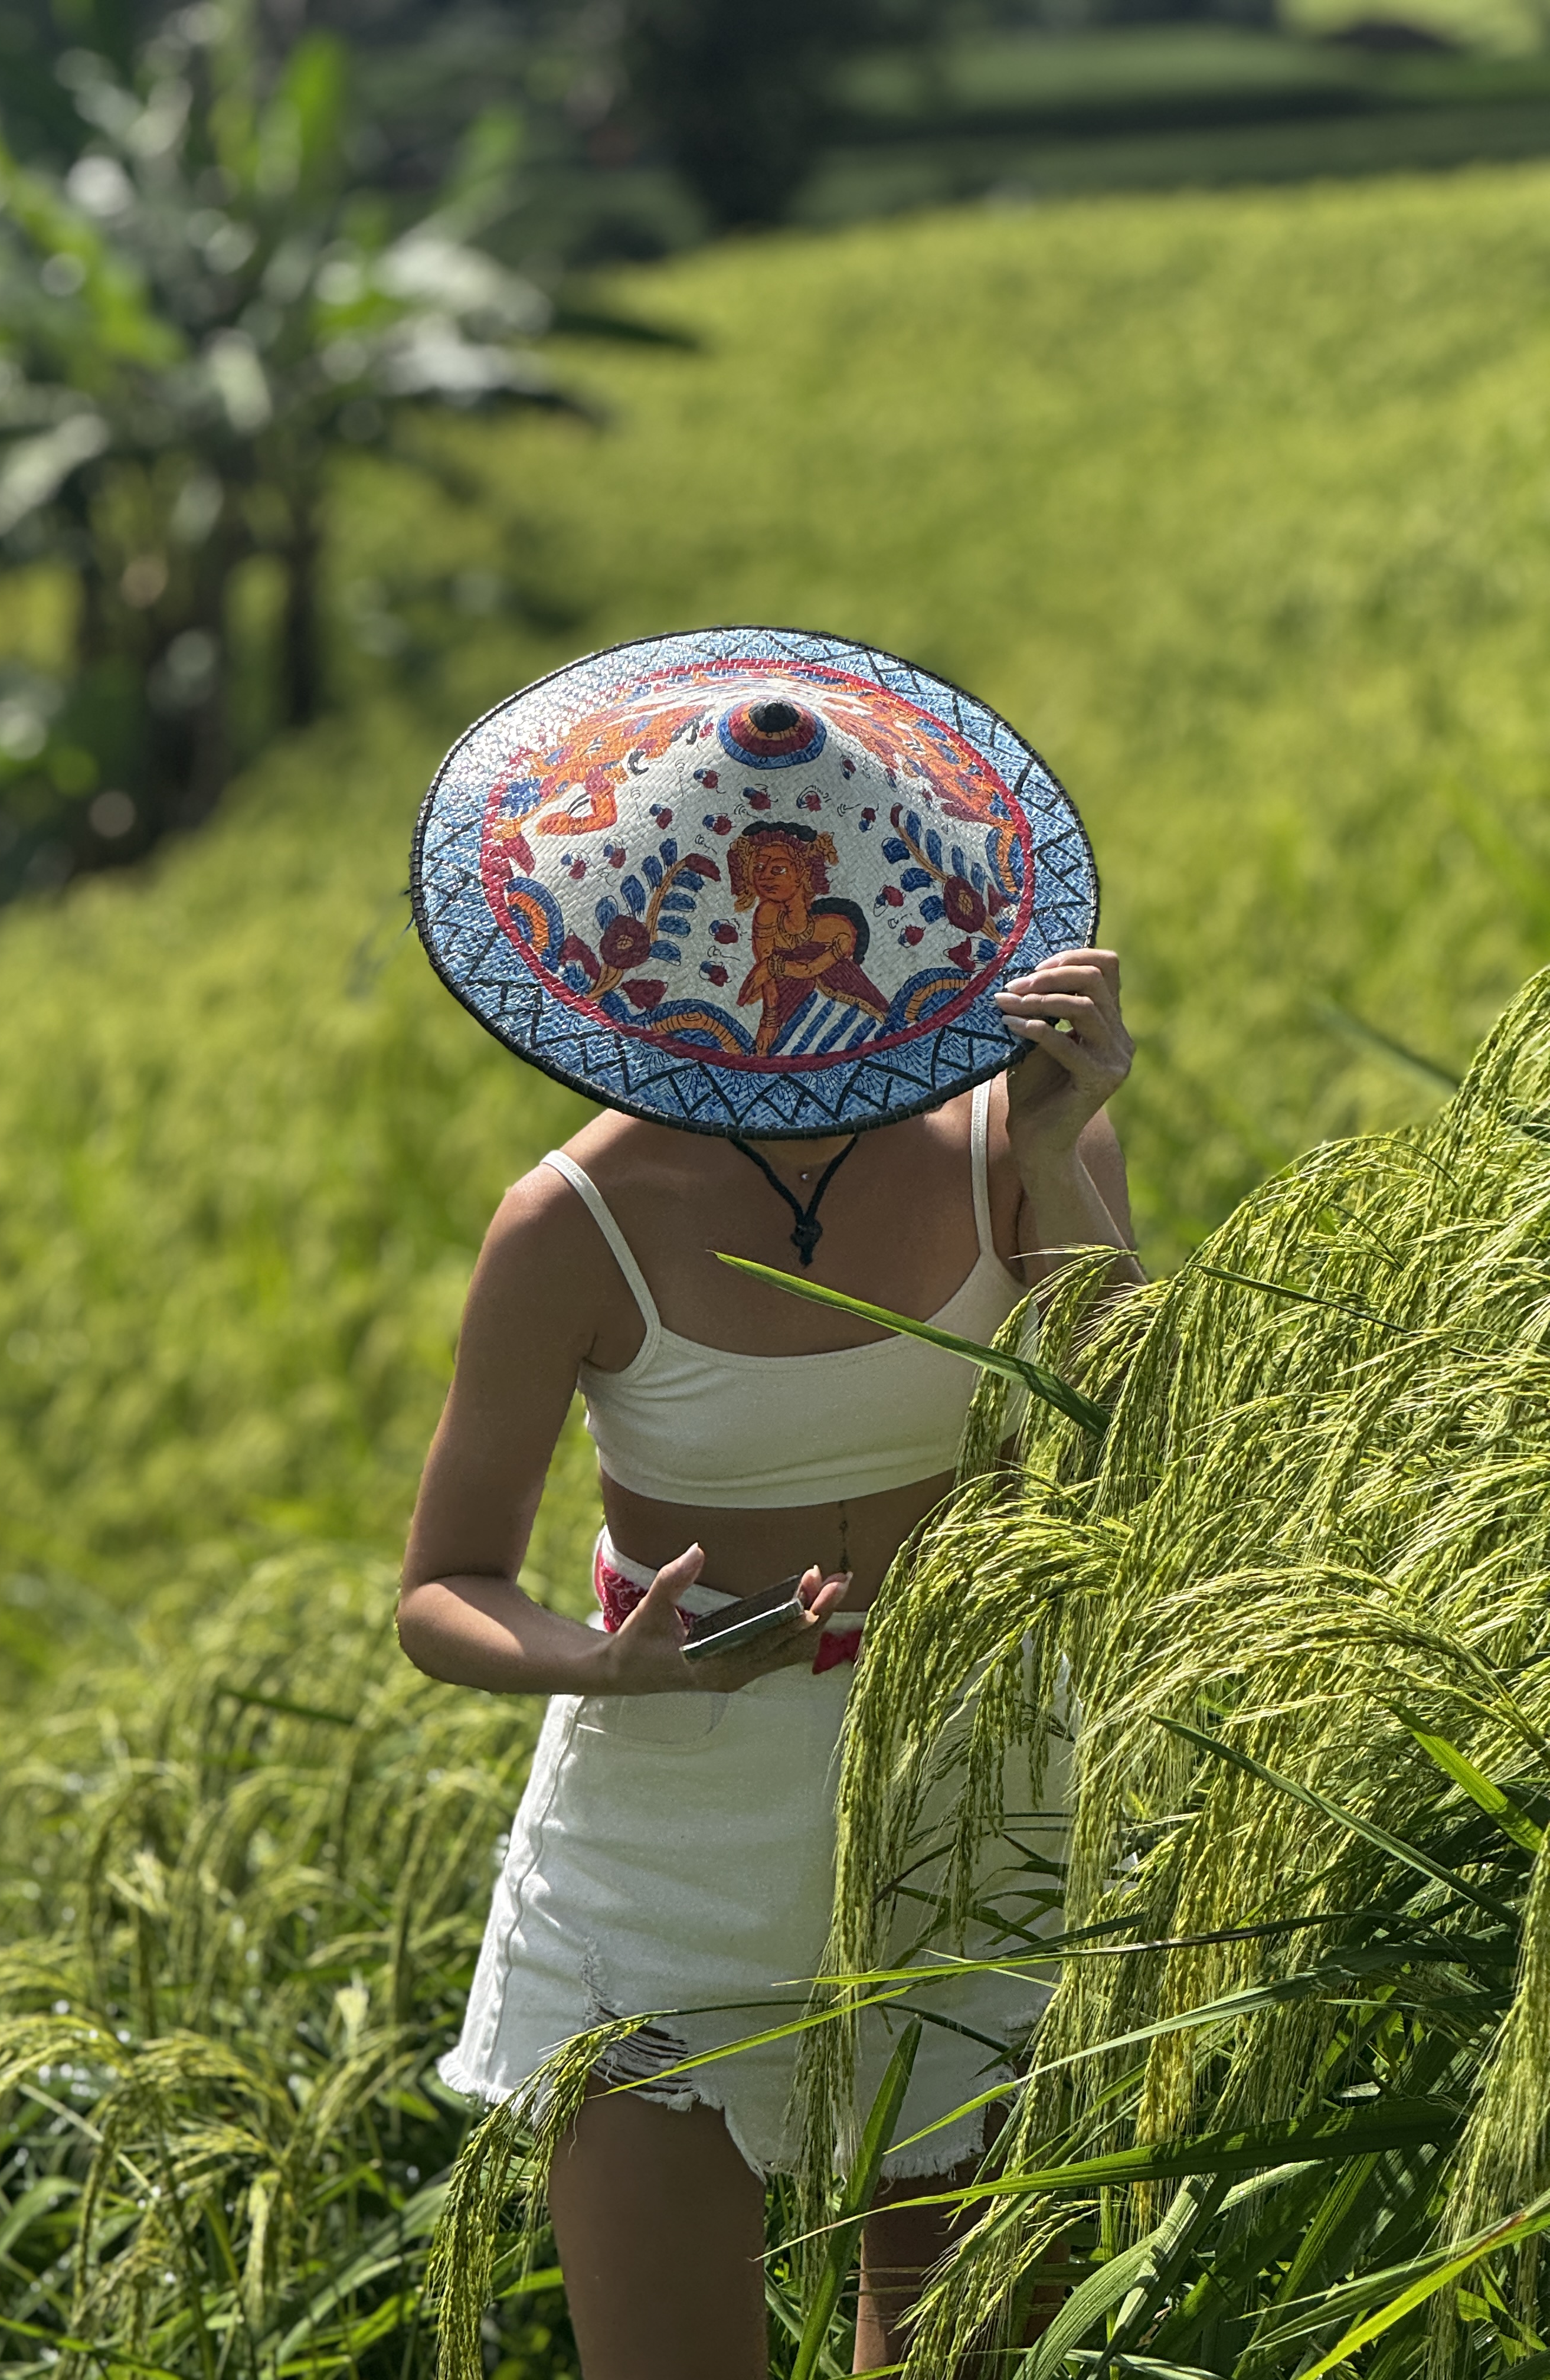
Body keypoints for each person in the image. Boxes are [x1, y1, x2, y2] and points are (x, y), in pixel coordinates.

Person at [400, 631, 1141, 2379]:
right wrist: (610, 1663)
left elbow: (1127, 1430)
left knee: (963, 2352)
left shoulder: (1019, 1138)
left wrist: (1059, 1154)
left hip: (972, 1794)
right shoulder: (570, 1221)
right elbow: (443, 1590)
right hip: (669, 1832)